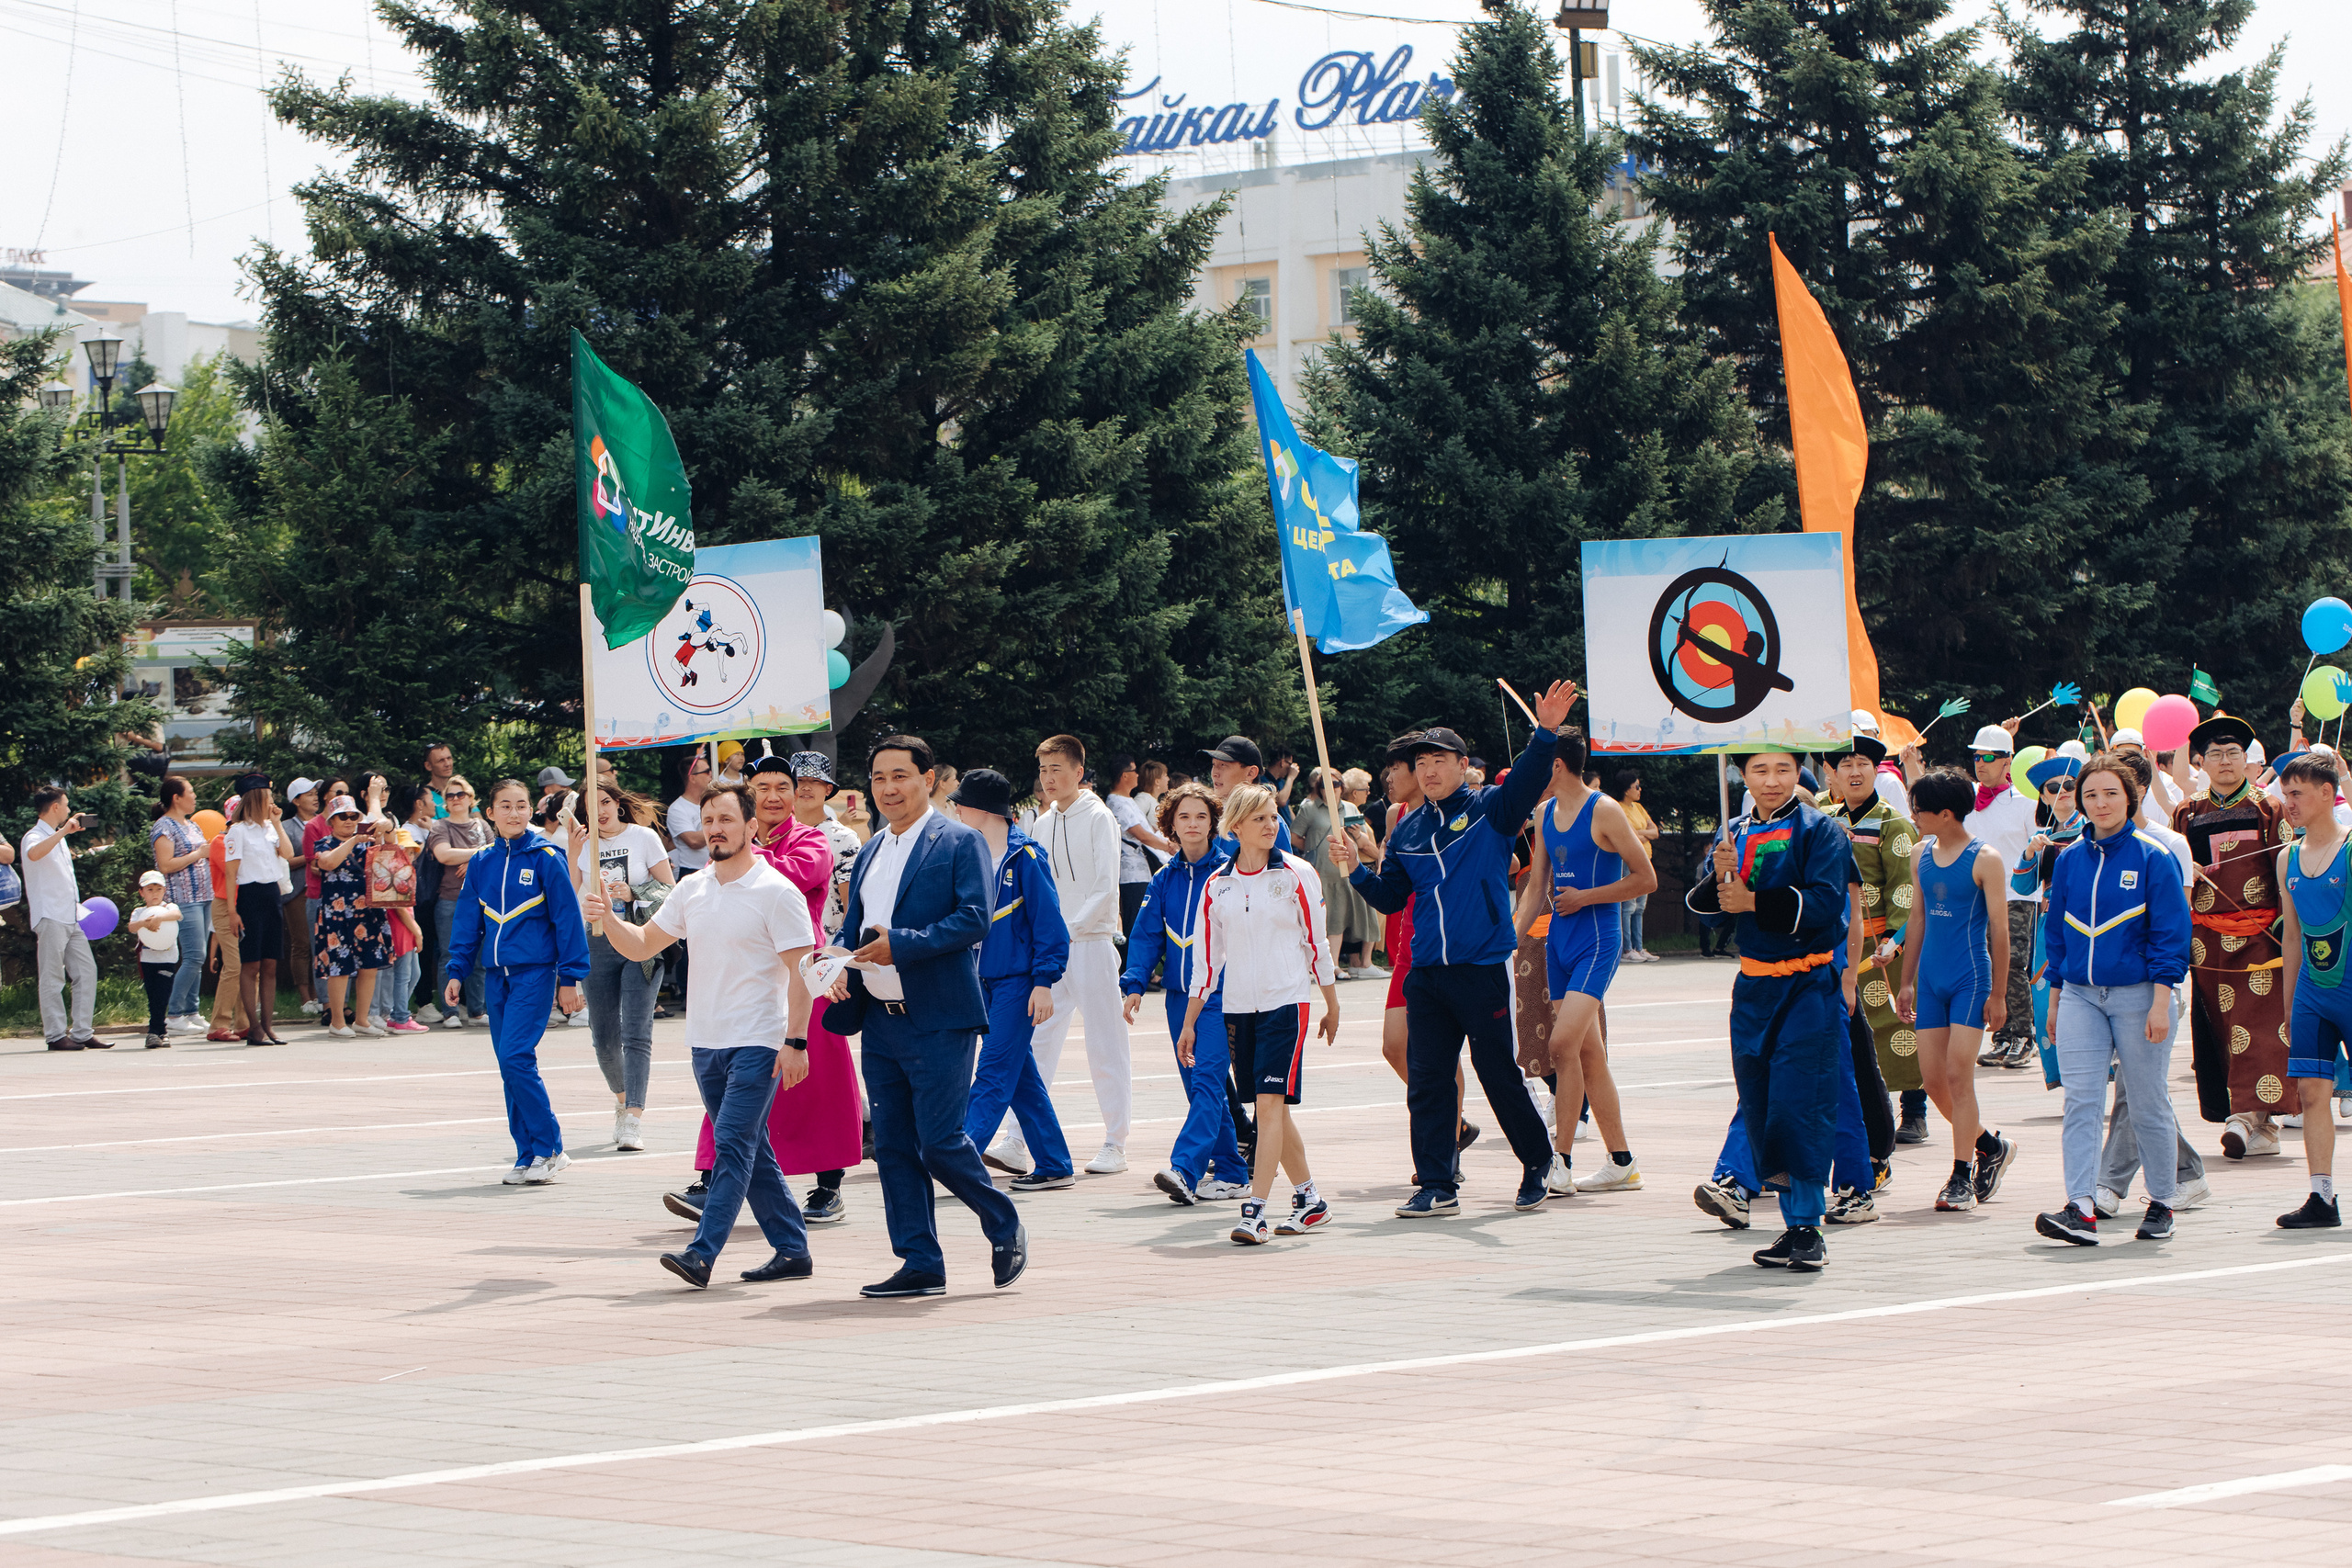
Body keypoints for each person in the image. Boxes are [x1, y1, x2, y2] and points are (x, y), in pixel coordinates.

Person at [1331, 683, 1579, 1221]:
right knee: (1428, 1081)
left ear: (1462, 765)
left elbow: (1534, 777)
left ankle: (1538, 1162)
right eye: (1421, 762)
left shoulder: (1491, 809)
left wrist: (1546, 731)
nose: (1428, 771)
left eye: (1439, 760)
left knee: (1496, 1073)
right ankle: (1438, 1184)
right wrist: (1354, 868)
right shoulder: (1407, 828)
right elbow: (1392, 894)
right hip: (1427, 975)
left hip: (1482, 968)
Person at [588, 783, 821, 1287]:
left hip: (758, 1041)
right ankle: (793, 1250)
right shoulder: (691, 889)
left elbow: (803, 972)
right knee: (750, 1149)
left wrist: (796, 1041)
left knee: (732, 1147)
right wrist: (607, 917)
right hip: (705, 1042)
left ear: (751, 827)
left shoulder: (777, 892)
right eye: (709, 820)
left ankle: (702, 1254)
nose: (715, 829)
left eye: (726, 820)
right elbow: (642, 945)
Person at [820, 734, 1028, 1299]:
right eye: (879, 777)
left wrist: (902, 945)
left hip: (939, 1015)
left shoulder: (960, 842)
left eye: (901, 776)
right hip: (880, 1017)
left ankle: (1001, 1220)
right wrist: (838, 958)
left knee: (940, 1143)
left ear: (929, 779)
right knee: (890, 1145)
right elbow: (854, 926)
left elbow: (975, 919)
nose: (889, 788)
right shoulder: (869, 850)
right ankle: (919, 1261)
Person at [1683, 747, 1861, 1270]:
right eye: (1759, 770)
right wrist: (1719, 879)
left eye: (1783, 769)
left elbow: (1829, 904)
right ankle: (1791, 1226)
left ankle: (1807, 1228)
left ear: (1799, 773)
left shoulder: (1821, 830)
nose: (1772, 780)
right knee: (1760, 1104)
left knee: (1799, 1103)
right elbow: (1714, 917)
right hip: (1754, 990)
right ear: (1743, 775)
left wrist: (1754, 901)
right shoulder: (1731, 833)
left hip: (1809, 985)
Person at [2033, 753, 2191, 1245]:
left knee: (2146, 1101)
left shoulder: (2153, 856)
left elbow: (2171, 934)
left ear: (2131, 797)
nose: (2100, 803)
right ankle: (2080, 1206)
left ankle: (2163, 1200)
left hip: (2140, 995)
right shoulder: (2069, 859)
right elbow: (2056, 936)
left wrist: (2161, 1002)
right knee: (2082, 1100)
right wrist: (2056, 999)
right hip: (2080, 995)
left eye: (2111, 794)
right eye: (2090, 794)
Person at [1181, 784, 1341, 1243]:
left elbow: (1317, 943)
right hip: (1237, 1011)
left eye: (1274, 817)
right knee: (1273, 1111)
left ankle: (1255, 1211)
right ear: (1235, 829)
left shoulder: (1297, 874)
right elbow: (1207, 961)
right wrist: (1190, 1021)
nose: (1272, 826)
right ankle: (1310, 1200)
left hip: (1287, 1005)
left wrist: (1332, 1003)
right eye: (1260, 820)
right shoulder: (1218, 885)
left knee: (1268, 1106)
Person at [1517, 730, 1658, 1197]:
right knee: (1588, 1052)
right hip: (1559, 941)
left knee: (1561, 1046)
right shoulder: (1542, 814)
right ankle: (1622, 1162)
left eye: (1540, 762)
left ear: (1556, 766)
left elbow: (1646, 879)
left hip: (1598, 940)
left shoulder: (1604, 810)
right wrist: (1509, 942)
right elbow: (1537, 888)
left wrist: (1586, 897)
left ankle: (1561, 1160)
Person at [995, 733, 1131, 1177]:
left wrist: (1064, 931)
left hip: (1090, 944)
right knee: (1036, 1043)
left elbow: (1105, 886)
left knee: (1105, 1043)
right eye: (1043, 770)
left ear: (1079, 771)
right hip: (1051, 953)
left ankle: (1115, 1142)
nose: (1049, 778)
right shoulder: (1042, 821)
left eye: (1057, 769)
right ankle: (1017, 1139)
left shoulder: (1099, 816)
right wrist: (1044, 939)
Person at [443, 778, 590, 1184]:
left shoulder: (547, 858)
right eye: (505, 806)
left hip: (535, 974)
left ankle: (550, 1147)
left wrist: (570, 978)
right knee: (509, 1066)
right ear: (489, 813)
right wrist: (456, 970)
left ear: (532, 812)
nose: (514, 813)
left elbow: (567, 920)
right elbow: (467, 922)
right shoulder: (482, 862)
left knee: (515, 1058)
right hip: (496, 977)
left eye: (521, 806)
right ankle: (527, 1154)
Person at [2171, 713, 2294, 1162]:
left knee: (2262, 1029)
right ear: (2201, 761)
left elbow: (2287, 871)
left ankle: (2247, 1118)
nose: (2226, 761)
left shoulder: (2269, 808)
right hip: (2206, 941)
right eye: (2216, 754)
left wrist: (2285, 927)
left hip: (2262, 936)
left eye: (2234, 753)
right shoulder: (2187, 813)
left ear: (2247, 759)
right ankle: (2255, 1122)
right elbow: (2173, 877)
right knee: (2221, 1029)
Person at [948, 768, 1078, 1192]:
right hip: (978, 981)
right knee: (1020, 1077)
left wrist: (1044, 981)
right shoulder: (969, 852)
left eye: (959, 802)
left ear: (979, 808)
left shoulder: (1026, 857)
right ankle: (1055, 1163)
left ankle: (958, 1159)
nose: (954, 809)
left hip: (1017, 982)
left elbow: (1051, 926)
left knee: (993, 1073)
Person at [1125, 781, 1251, 1204]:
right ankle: (1232, 1172)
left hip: (1218, 994)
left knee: (1208, 1082)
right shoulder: (1163, 879)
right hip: (1179, 997)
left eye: (1201, 816)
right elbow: (1144, 936)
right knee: (1199, 1083)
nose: (1193, 824)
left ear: (1214, 823)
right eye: (1184, 817)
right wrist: (1135, 984)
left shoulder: (1232, 872)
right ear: (1171, 825)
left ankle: (1185, 1170)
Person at [1898, 768, 2018, 1213]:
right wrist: (1907, 982)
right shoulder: (1919, 853)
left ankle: (1960, 1175)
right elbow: (1918, 919)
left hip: (1970, 981)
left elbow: (2001, 933)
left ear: (1946, 814)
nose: (1914, 816)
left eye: (1920, 810)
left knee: (1957, 1076)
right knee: (1932, 1081)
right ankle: (1990, 1144)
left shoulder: (1985, 858)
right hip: (1930, 980)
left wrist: (2000, 994)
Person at [570, 784, 674, 1150]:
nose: (600, 811)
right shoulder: (583, 844)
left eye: (605, 802)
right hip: (596, 941)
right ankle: (621, 1098)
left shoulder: (643, 837)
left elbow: (670, 889)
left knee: (636, 1032)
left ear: (617, 804)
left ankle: (633, 1117)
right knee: (604, 1038)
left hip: (641, 940)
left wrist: (634, 892)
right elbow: (573, 899)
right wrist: (572, 851)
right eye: (591, 805)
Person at [1831, 738, 1921, 1150]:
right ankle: (1868, 1111)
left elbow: (1904, 887)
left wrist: (1894, 940)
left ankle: (1915, 1109)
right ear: (1833, 773)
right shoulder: (1826, 821)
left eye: (1862, 763)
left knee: (1896, 1026)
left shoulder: (1892, 824)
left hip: (1882, 946)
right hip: (1837, 944)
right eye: (1845, 764)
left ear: (1876, 770)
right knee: (1849, 1030)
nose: (1853, 771)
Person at [2277, 752, 2352, 1229]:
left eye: (2297, 794)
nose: (2289, 804)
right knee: (2310, 1092)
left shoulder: (2349, 849)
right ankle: (2321, 1197)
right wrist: (2288, 1003)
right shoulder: (2288, 856)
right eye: (2285, 795)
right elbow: (2291, 935)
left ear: (2327, 794)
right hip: (2312, 993)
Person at [1962, 723, 2041, 1068]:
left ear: (2007, 762)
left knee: (2012, 964)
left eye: (1989, 757)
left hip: (2017, 895)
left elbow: (2039, 852)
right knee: (1987, 967)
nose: (1981, 763)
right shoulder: (1968, 802)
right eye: (1977, 756)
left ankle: (2023, 1035)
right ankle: (2002, 1036)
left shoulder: (2026, 805)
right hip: (1976, 897)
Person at [221, 776, 299, 1046]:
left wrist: (277, 823)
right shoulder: (238, 831)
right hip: (250, 897)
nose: (272, 802)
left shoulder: (269, 829)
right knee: (250, 963)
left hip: (271, 895)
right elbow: (231, 873)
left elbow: (287, 854)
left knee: (270, 964)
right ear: (256, 799)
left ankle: (268, 1025)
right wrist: (232, 911)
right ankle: (253, 1026)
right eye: (268, 796)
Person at [311, 795, 390, 1038]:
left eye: (353, 816)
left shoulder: (368, 844)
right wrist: (354, 839)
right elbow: (328, 862)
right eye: (342, 816)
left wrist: (385, 828)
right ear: (331, 821)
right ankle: (337, 1021)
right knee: (339, 966)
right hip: (337, 913)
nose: (348, 820)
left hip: (368, 911)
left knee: (370, 965)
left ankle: (362, 1020)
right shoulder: (324, 843)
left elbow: (391, 857)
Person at [24, 787, 98, 1051]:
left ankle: (82, 1032)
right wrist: (64, 831)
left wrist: (65, 833)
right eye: (66, 805)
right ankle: (55, 1035)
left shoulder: (59, 837)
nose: (69, 810)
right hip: (50, 915)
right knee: (52, 977)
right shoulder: (33, 836)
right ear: (55, 807)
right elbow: (33, 854)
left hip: (70, 915)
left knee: (87, 971)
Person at [148, 774, 214, 1038]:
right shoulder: (164, 826)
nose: (195, 796)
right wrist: (199, 854)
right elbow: (165, 865)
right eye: (190, 792)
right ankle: (173, 1013)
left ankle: (191, 1010)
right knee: (194, 955)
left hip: (204, 895)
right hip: (183, 898)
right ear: (176, 798)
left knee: (198, 956)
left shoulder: (192, 824)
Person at [427, 776, 492, 1029]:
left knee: (479, 957)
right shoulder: (440, 826)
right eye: (451, 795)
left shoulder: (482, 825)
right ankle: (450, 1011)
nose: (455, 799)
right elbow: (443, 854)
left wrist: (469, 861)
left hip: (482, 901)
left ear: (470, 798)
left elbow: (498, 852)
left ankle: (477, 1010)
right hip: (450, 899)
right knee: (449, 955)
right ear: (445, 801)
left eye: (460, 794)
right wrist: (479, 854)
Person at [1102, 754, 1174, 937]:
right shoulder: (1116, 802)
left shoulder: (1127, 800)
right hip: (1130, 874)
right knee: (1134, 922)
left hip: (1142, 871)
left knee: (1142, 920)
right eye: (1134, 771)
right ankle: (1129, 963)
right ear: (1124, 775)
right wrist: (1169, 847)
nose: (1138, 775)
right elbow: (1142, 835)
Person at [664, 747, 713, 1007]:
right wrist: (722, 828)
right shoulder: (677, 809)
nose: (711, 775)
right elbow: (693, 841)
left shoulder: (710, 803)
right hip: (690, 873)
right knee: (690, 936)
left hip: (713, 870)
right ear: (692, 777)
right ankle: (687, 991)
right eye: (706, 771)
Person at [1204, 736, 1293, 856]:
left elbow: (1285, 870)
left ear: (1251, 773)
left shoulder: (1271, 823)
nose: (1215, 773)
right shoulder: (1206, 816)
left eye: (1223, 766)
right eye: (1213, 765)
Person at [282, 777, 323, 1016]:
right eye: (309, 794)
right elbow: (284, 862)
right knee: (302, 943)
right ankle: (305, 997)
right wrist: (310, 858)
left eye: (316, 793)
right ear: (296, 800)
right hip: (298, 891)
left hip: (322, 889)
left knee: (321, 943)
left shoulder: (325, 822)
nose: (315, 797)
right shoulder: (286, 827)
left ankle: (321, 994)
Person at [1611, 772, 1661, 963]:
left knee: (1640, 906)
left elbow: (1655, 832)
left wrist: (1642, 833)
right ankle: (1627, 949)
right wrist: (1642, 834)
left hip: (1646, 858)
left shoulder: (1639, 807)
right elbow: (1629, 836)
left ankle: (1639, 948)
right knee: (1628, 906)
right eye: (1636, 786)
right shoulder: (1618, 809)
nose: (1640, 790)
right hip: (1628, 861)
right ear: (1626, 788)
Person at [130, 869, 182, 1049]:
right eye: (149, 890)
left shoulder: (169, 908)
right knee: (153, 996)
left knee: (163, 994)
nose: (154, 894)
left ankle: (155, 1031)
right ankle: (160, 1032)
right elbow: (132, 927)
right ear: (142, 893)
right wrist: (145, 923)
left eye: (158, 889)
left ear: (164, 891)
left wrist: (159, 918)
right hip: (147, 960)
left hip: (167, 958)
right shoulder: (139, 911)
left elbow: (177, 915)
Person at [422, 740, 458, 818]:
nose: (447, 764)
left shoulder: (461, 792)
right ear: (428, 766)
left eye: (449, 758)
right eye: (441, 761)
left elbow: (479, 823)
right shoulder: (426, 797)